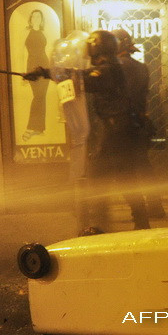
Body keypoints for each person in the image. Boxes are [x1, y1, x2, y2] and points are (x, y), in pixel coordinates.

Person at [24, 30, 150, 234]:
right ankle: (140, 221)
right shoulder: (109, 67)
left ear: (96, 47)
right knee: (125, 177)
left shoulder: (106, 70)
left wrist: (44, 72)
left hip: (116, 132)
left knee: (98, 177)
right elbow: (81, 76)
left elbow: (81, 78)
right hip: (120, 131)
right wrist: (45, 73)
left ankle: (99, 225)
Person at [113, 29, 165, 219]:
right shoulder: (141, 67)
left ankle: (139, 210)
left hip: (123, 125)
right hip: (140, 123)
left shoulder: (118, 67)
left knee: (123, 172)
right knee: (143, 167)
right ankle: (155, 206)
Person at [23, 9, 49, 141]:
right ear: (31, 19)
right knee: (38, 97)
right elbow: (24, 54)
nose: (36, 19)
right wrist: (26, 73)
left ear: (41, 19)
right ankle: (30, 127)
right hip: (33, 68)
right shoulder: (28, 33)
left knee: (42, 97)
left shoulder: (41, 32)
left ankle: (39, 128)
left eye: (39, 16)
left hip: (44, 68)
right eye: (34, 17)